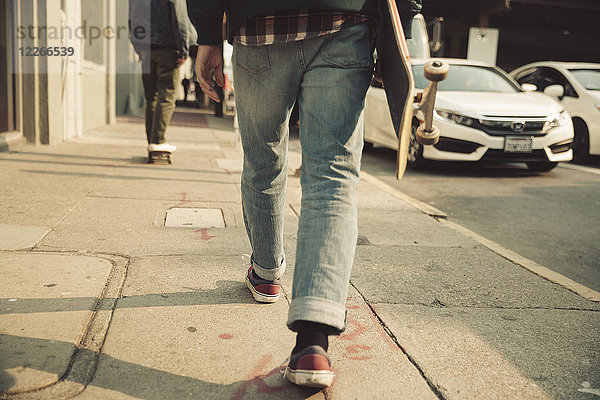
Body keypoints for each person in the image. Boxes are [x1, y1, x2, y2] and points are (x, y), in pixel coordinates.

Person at [189, 0, 421, 388]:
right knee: (332, 175)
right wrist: (403, 30)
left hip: (258, 23)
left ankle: (265, 274)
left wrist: (208, 33)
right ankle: (312, 343)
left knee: (263, 159)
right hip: (345, 22)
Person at [129, 0, 198, 158]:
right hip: (168, 48)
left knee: (151, 97)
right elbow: (179, 18)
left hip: (146, 48)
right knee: (166, 96)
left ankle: (152, 142)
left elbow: (131, 19)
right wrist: (184, 50)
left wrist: (138, 47)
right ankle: (158, 142)